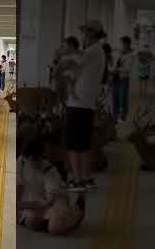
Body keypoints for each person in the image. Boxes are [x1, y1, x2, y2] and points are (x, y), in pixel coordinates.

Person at [64, 20, 105, 191]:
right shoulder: (97, 52)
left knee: (74, 144)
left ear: (92, 34)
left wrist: (63, 55)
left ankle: (77, 180)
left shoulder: (92, 52)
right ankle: (86, 179)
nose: (82, 36)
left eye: (84, 32)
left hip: (78, 104)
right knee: (84, 145)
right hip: (85, 104)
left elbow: (70, 63)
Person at [17, 130, 85, 235]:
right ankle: (50, 222)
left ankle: (76, 211)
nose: (34, 162)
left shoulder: (47, 168)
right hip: (34, 203)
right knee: (31, 221)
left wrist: (29, 205)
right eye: (30, 158)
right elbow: (16, 198)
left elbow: (50, 200)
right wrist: (29, 205)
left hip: (54, 201)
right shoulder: (20, 163)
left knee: (55, 228)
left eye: (37, 158)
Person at [113, 36, 133, 122]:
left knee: (122, 98)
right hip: (115, 79)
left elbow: (128, 69)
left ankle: (123, 117)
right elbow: (114, 65)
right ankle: (115, 116)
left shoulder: (130, 55)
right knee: (115, 98)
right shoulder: (119, 54)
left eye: (121, 43)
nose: (120, 45)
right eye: (120, 43)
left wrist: (117, 69)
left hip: (123, 79)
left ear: (127, 44)